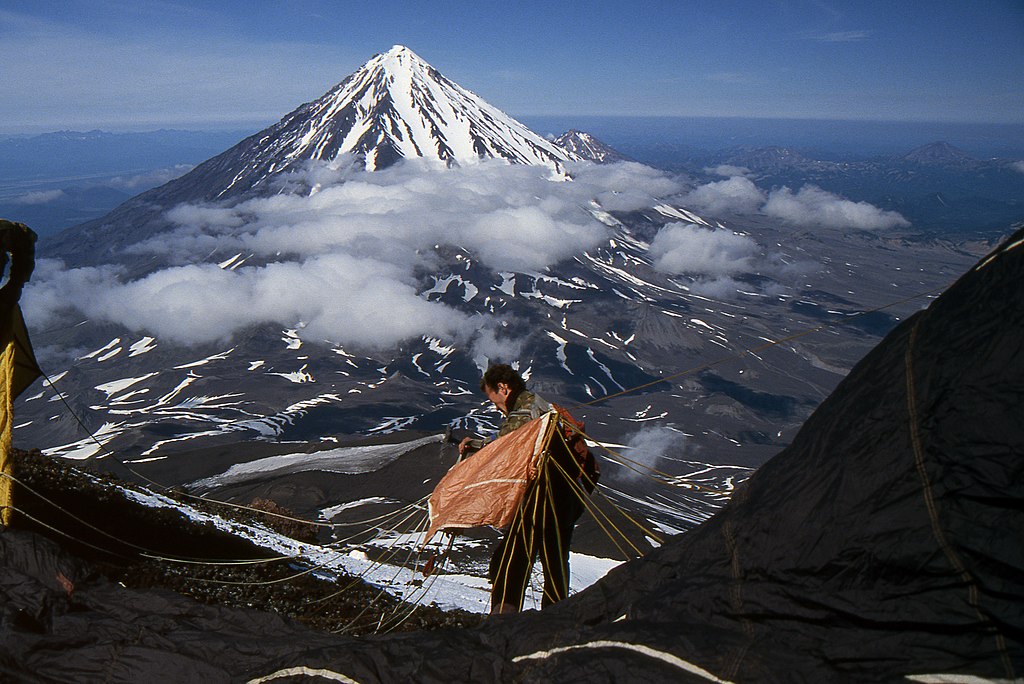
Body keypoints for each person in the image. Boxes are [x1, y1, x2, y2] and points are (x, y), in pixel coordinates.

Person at [459, 364, 586, 614]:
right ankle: (554, 618)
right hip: (566, 496)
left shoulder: (521, 414)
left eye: (493, 397)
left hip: (543, 498)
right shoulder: (539, 403)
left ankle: (505, 618)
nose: (495, 405)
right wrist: (479, 443)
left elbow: (505, 450)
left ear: (503, 389)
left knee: (510, 560)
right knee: (555, 562)